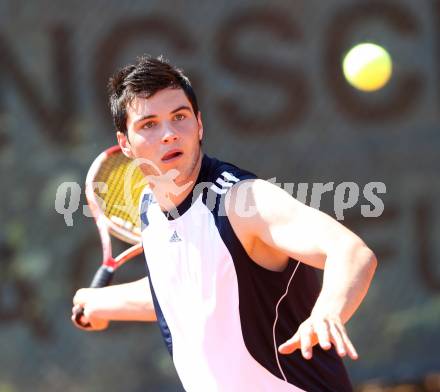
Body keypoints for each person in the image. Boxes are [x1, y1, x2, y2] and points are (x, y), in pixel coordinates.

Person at [72, 55, 377, 392]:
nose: (170, 134)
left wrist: (327, 313)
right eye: (149, 124)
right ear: (125, 144)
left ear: (199, 124)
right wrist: (102, 303)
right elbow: (192, 286)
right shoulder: (150, 208)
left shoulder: (244, 201)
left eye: (180, 117)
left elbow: (350, 251)